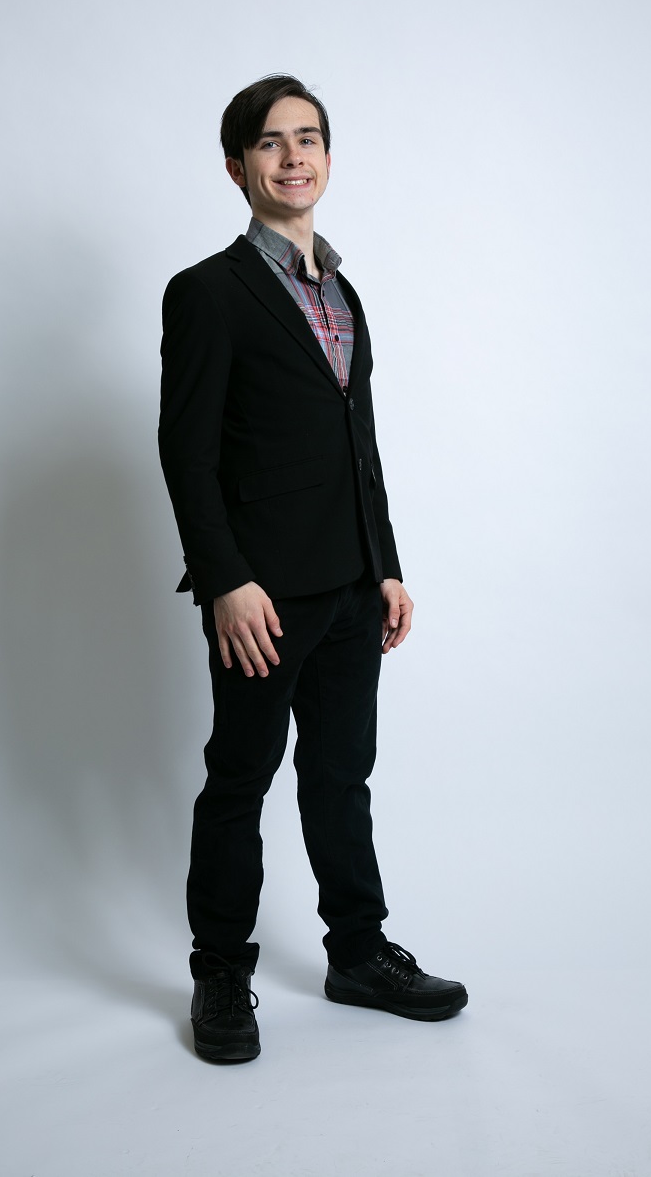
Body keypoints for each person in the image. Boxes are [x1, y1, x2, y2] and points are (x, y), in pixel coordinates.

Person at [159, 74, 467, 1062]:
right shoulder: (208, 291)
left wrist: (386, 566)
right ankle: (219, 973)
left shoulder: (341, 292)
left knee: (341, 778)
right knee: (240, 780)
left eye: (309, 138)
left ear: (328, 157)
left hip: (350, 587)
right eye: (270, 141)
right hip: (262, 596)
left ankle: (360, 955)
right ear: (236, 166)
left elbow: (357, 440)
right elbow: (186, 451)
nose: (293, 156)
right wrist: (224, 580)